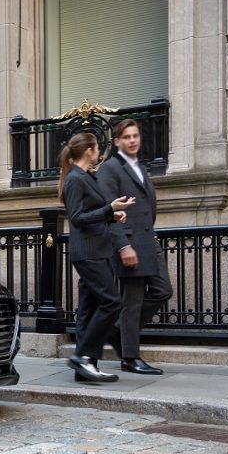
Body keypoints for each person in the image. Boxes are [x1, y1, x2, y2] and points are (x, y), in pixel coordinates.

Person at [97, 119, 173, 375]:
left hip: (148, 239)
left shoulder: (140, 166)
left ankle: (118, 330)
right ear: (117, 141)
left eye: (135, 135)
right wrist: (123, 246)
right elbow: (109, 211)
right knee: (133, 301)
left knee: (163, 290)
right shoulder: (109, 169)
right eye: (126, 136)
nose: (132, 140)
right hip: (129, 242)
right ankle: (130, 357)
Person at [59, 132, 135, 383]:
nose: (99, 151)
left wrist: (112, 215)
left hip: (97, 250)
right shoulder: (75, 179)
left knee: (90, 308)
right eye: (97, 147)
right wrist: (109, 209)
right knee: (112, 302)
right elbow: (78, 218)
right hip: (88, 252)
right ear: (89, 150)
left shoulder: (85, 177)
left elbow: (92, 213)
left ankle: (87, 365)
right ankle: (82, 356)